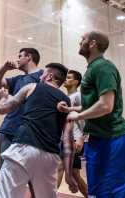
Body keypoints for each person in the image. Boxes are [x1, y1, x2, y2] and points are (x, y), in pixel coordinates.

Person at [0, 63, 78, 198]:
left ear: (49, 76)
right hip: (50, 157)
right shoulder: (67, 102)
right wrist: (68, 173)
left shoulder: (32, 87)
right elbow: (68, 140)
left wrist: (2, 97)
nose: (40, 76)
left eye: (43, 74)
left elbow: (2, 109)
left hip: (23, 149)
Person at [60, 31, 125, 197]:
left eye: (83, 39)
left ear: (93, 43)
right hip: (97, 139)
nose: (79, 42)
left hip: (112, 139)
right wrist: (71, 110)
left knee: (111, 189)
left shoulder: (103, 67)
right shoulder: (92, 69)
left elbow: (106, 106)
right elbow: (93, 105)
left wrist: (78, 116)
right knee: (95, 190)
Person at [0, 48, 43, 175]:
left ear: (29, 57)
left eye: (20, 56)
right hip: (10, 129)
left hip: (30, 132)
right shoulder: (17, 79)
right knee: (5, 172)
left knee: (28, 174)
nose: (17, 59)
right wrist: (4, 68)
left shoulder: (42, 76)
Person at [57, 70, 88, 198]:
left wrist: (81, 138)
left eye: (69, 78)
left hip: (74, 139)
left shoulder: (78, 96)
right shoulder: (65, 97)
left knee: (60, 168)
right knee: (74, 173)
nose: (65, 79)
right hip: (64, 139)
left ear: (76, 81)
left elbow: (87, 118)